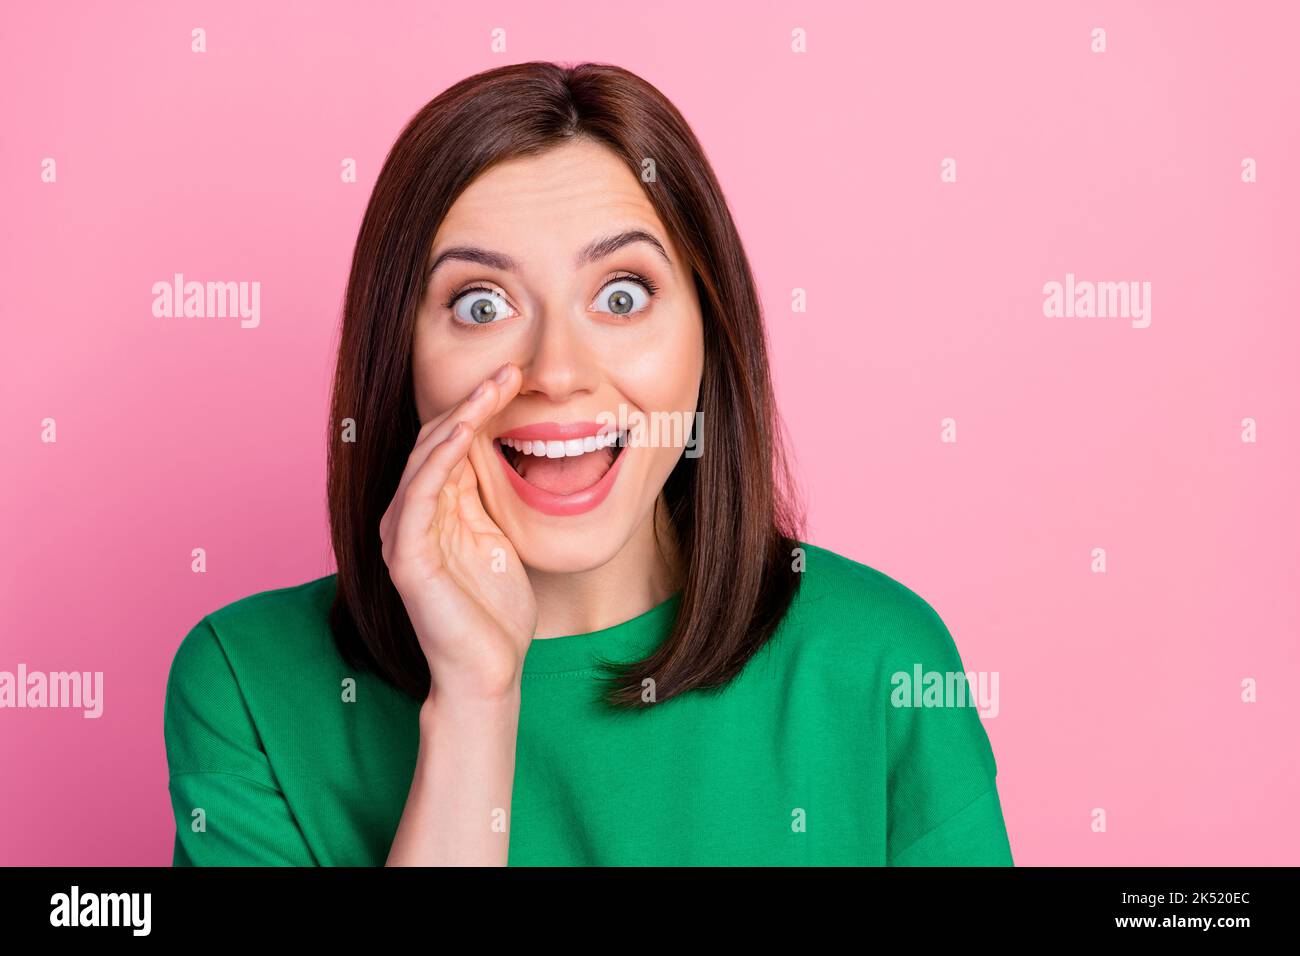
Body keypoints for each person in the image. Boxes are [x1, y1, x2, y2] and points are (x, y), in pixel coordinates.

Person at [163, 60, 1013, 866]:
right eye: (481, 304)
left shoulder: (879, 661)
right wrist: (474, 705)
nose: (557, 373)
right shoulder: (249, 687)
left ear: (708, 335)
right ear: (402, 359)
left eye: (622, 295)